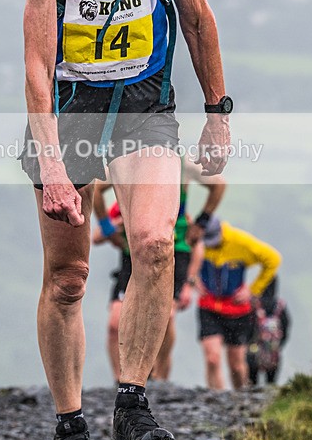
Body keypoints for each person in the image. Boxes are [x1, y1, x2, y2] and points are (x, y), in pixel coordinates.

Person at [20, 0, 231, 440]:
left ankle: (132, 409)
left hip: (144, 107)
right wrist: (52, 163)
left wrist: (218, 115)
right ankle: (69, 421)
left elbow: (197, 19)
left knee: (152, 246)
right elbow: (36, 62)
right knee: (70, 278)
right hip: (71, 114)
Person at [93, 161, 226, 381]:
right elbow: (97, 189)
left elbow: (218, 185)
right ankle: (120, 380)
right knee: (115, 323)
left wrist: (201, 223)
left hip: (175, 249)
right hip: (133, 251)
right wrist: (109, 230)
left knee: (166, 316)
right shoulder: (129, 159)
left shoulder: (182, 164)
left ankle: (159, 374)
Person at [188, 216, 281, 390]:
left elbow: (273, 259)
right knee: (212, 357)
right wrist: (192, 279)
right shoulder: (196, 241)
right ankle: (216, 400)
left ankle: (239, 400)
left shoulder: (241, 242)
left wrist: (253, 290)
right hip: (209, 306)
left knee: (236, 365)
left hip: (237, 310)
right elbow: (177, 255)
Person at [246, 276, 291, 385]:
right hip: (274, 353)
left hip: (253, 352)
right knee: (271, 387)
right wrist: (279, 345)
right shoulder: (280, 306)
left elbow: (246, 327)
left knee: (251, 386)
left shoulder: (253, 304)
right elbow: (286, 328)